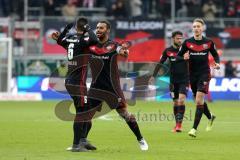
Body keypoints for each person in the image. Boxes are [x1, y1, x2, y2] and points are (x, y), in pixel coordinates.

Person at [87, 20, 148, 151]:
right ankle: (82, 141)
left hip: (112, 87)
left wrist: (124, 52)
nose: (98, 30)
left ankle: (140, 139)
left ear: (107, 30)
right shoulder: (90, 45)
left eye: (101, 28)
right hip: (95, 86)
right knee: (87, 115)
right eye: (97, 28)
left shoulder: (113, 45)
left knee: (125, 114)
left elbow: (122, 51)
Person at [51, 17, 98, 151]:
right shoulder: (83, 41)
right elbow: (94, 39)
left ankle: (83, 140)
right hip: (78, 83)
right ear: (84, 28)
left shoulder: (70, 39)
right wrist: (88, 28)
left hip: (71, 81)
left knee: (87, 110)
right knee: (82, 113)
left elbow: (60, 39)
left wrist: (66, 28)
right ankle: (76, 145)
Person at [178, 18, 220, 138]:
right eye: (194, 26)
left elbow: (216, 54)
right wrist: (183, 58)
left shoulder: (209, 42)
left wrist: (217, 63)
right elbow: (178, 57)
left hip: (204, 74)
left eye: (198, 26)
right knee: (199, 100)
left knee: (198, 100)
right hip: (192, 75)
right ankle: (210, 116)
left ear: (202, 28)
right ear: (192, 28)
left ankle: (193, 129)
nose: (196, 28)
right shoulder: (187, 43)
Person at [149, 31, 189, 133]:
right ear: (173, 39)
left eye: (181, 38)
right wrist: (153, 76)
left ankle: (179, 125)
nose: (180, 40)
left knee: (181, 100)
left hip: (184, 79)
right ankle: (176, 125)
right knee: (175, 102)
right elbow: (160, 63)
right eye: (178, 38)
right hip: (173, 81)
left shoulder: (186, 50)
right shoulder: (167, 51)